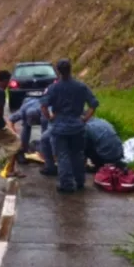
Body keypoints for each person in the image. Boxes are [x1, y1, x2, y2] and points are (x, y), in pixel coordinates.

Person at [40, 58, 99, 194]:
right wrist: (84, 119)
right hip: (77, 126)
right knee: (78, 154)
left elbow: (43, 106)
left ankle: (66, 184)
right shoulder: (81, 86)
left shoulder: (53, 88)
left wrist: (50, 118)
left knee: (63, 155)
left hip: (60, 127)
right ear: (71, 69)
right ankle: (79, 181)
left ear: (58, 71)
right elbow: (93, 104)